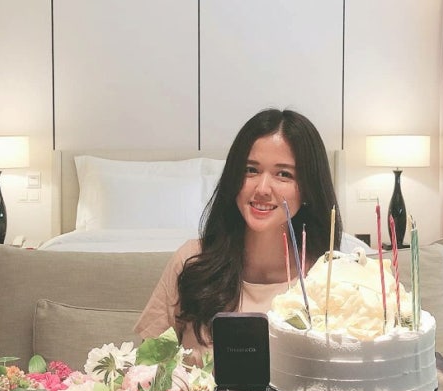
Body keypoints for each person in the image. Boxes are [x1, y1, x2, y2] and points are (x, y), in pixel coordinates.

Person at [134, 108, 343, 360]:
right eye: (251, 170)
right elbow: (146, 365)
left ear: (309, 188)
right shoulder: (193, 261)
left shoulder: (329, 276)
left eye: (283, 174)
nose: (262, 189)